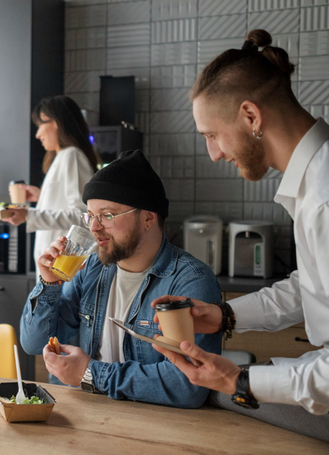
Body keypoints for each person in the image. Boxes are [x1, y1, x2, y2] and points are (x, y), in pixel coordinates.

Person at [151, 30, 329, 442]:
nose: (214, 153)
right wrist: (225, 315)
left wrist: (240, 380)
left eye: (212, 135)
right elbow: (313, 288)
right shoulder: (313, 182)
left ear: (251, 116)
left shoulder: (322, 199)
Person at [20, 150, 222, 408]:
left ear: (148, 217)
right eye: (90, 215)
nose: (93, 227)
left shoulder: (189, 281)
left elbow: (187, 387)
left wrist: (90, 373)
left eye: (107, 215)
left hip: (155, 426)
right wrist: (48, 284)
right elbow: (34, 343)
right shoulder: (91, 268)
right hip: (84, 416)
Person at [1, 95, 99, 264]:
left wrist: (28, 216)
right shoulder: (62, 157)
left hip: (63, 267)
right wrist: (41, 197)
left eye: (40, 125)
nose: (38, 134)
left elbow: (83, 216)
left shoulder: (72, 156)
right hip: (55, 267)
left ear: (57, 123)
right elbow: (67, 206)